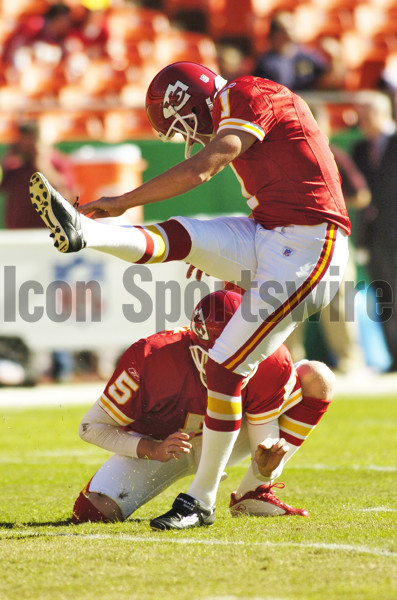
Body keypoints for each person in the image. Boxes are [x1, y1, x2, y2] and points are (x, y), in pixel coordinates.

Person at [30, 60, 350, 529]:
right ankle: (84, 233)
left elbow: (204, 168)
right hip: (270, 233)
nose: (189, 135)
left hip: (310, 244)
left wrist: (120, 202)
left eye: (181, 123)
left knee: (224, 366)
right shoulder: (240, 100)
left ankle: (201, 500)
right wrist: (221, 254)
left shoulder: (246, 93)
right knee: (180, 236)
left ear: (187, 98)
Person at [72, 290, 335, 527]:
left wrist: (265, 469)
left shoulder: (271, 359)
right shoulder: (152, 358)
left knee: (318, 377)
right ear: (198, 347)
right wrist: (151, 448)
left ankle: (254, 493)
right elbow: (91, 427)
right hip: (166, 447)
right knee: (92, 512)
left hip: (230, 441)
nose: (238, 362)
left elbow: (263, 444)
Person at [285, 104, 371, 373]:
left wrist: (326, 204)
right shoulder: (286, 156)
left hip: (333, 241)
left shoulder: (335, 156)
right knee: (288, 305)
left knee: (339, 305)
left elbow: (361, 195)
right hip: (295, 242)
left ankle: (350, 363)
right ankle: (286, 365)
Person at [351, 91, 397, 372]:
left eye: (365, 115)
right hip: (375, 236)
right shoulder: (359, 149)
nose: (361, 122)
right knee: (385, 296)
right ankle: (395, 358)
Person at [0, 120, 75, 229]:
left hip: (49, 230)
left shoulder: (57, 161)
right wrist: (7, 159)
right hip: (19, 229)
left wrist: (41, 163)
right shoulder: (15, 164)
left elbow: (65, 190)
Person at [253, 11, 345, 91]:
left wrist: (336, 58)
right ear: (275, 33)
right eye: (287, 28)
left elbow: (328, 79)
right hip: (279, 107)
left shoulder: (306, 56)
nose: (292, 32)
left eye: (293, 27)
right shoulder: (266, 63)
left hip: (306, 105)